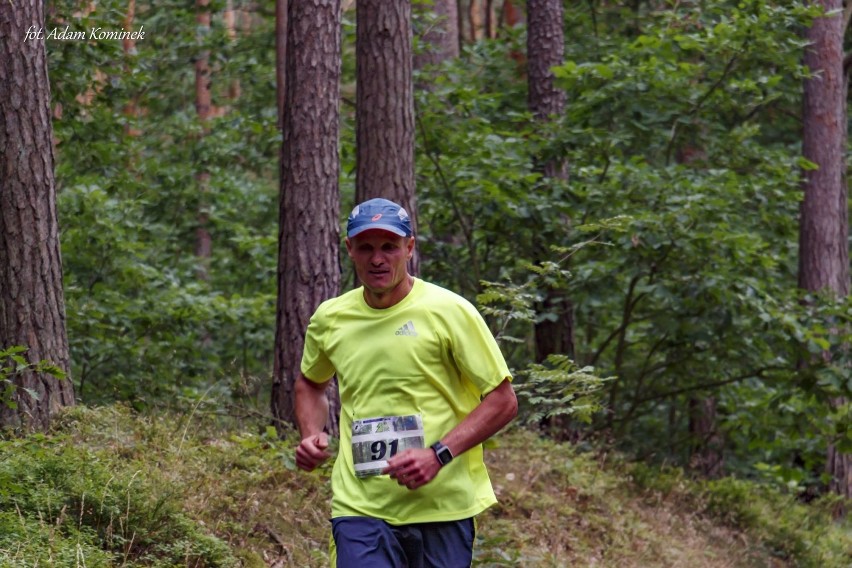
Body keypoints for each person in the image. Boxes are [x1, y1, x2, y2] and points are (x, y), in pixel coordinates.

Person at [295, 197, 517, 567]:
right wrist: (309, 432)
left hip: (442, 505)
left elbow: (503, 400)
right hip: (361, 506)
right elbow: (311, 383)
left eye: (389, 247)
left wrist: (437, 454)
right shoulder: (331, 319)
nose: (377, 259)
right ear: (349, 250)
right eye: (366, 247)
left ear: (409, 248)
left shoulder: (449, 311)